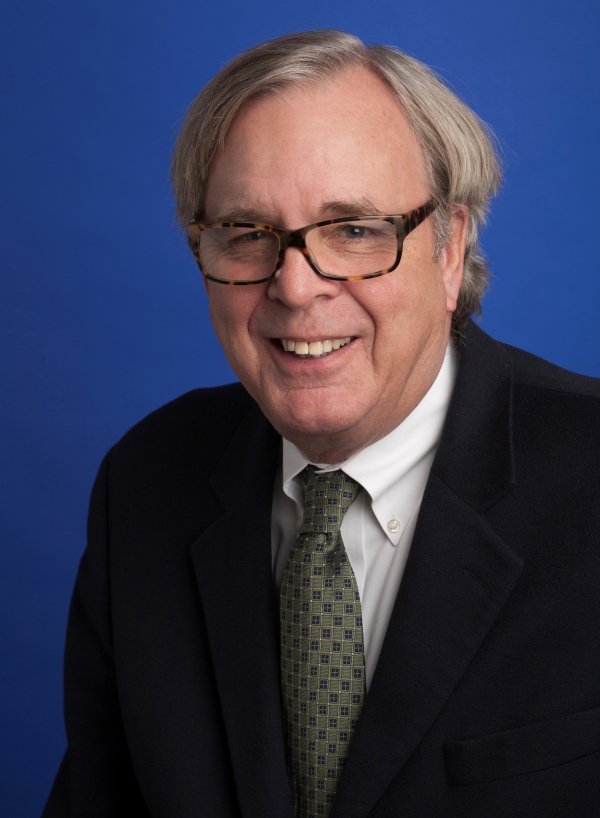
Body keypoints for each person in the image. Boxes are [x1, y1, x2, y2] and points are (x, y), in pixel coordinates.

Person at [43, 30, 600, 818]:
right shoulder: (145, 485)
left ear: (450, 248)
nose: (297, 289)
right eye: (247, 234)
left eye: (354, 230)